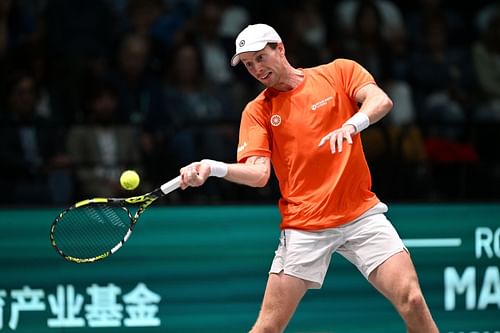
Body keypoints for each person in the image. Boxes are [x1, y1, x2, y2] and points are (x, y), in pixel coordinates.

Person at [178, 23, 439, 333]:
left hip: (361, 215)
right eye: (248, 64)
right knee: (268, 327)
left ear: (280, 49)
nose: (256, 69)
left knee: (413, 300)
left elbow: (380, 101)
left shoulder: (338, 72)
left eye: (261, 57)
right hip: (305, 226)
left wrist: (352, 125)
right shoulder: (258, 111)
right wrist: (213, 167)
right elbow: (259, 174)